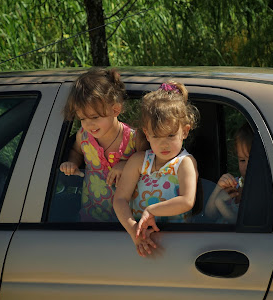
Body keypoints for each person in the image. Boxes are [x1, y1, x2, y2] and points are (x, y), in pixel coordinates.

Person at [113, 81, 199, 257]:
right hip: (141, 240)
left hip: (175, 243)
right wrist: (134, 230)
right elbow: (120, 199)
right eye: (156, 136)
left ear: (185, 131)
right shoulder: (139, 161)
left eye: (170, 135)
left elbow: (187, 201)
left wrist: (151, 210)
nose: (164, 143)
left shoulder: (185, 163)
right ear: (146, 133)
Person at [60, 67, 146, 222]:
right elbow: (76, 151)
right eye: (83, 119)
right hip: (92, 213)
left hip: (129, 218)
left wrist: (127, 165)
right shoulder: (83, 136)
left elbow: (149, 160)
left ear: (115, 109)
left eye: (94, 117)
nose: (89, 124)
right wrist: (72, 163)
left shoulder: (134, 137)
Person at [205, 122, 253, 224]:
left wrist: (220, 203)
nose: (247, 167)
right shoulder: (234, 184)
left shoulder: (260, 191)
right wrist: (218, 188)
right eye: (242, 160)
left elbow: (240, 223)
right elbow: (209, 215)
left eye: (253, 160)